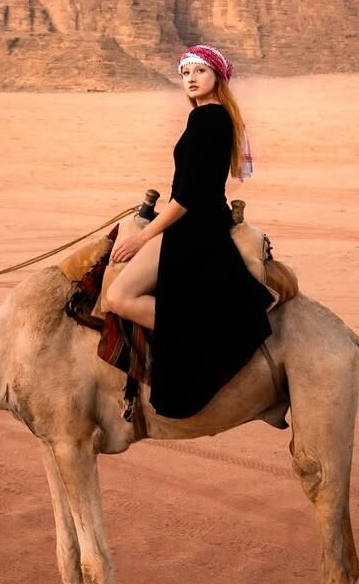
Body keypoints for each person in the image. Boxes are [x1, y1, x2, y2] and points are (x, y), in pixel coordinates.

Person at [106, 44, 274, 419]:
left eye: (199, 71)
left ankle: (198, 334)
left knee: (117, 297)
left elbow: (188, 196)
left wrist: (144, 237)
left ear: (217, 76)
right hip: (197, 220)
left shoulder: (208, 119)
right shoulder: (209, 118)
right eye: (185, 73)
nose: (191, 79)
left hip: (194, 227)